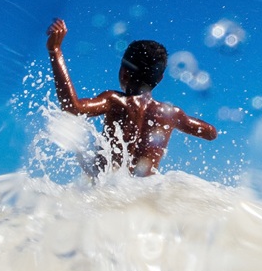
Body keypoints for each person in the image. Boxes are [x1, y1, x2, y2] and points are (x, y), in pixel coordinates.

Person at [46, 17, 217, 177]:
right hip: (143, 193)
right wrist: (183, 120)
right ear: (160, 79)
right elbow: (211, 133)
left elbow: (73, 107)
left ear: (124, 72)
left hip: (108, 190)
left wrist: (55, 51)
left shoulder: (114, 100)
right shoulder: (171, 115)